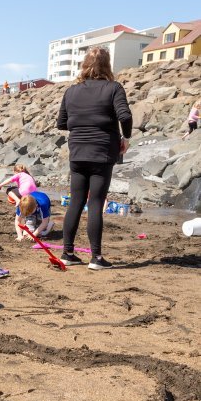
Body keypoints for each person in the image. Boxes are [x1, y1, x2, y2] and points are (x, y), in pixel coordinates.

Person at [57, 46, 132, 270]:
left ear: (84, 64)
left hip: (78, 152)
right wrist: (125, 137)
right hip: (102, 152)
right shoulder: (113, 88)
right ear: (107, 65)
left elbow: (62, 123)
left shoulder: (71, 91)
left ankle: (67, 253)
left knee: (76, 202)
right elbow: (125, 116)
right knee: (96, 203)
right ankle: (96, 258)